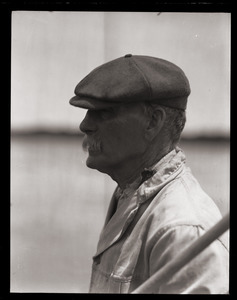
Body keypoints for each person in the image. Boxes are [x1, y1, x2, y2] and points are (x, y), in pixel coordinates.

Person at [69, 54, 229, 294]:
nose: (85, 125)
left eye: (103, 113)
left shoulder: (182, 229)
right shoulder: (129, 191)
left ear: (153, 122)